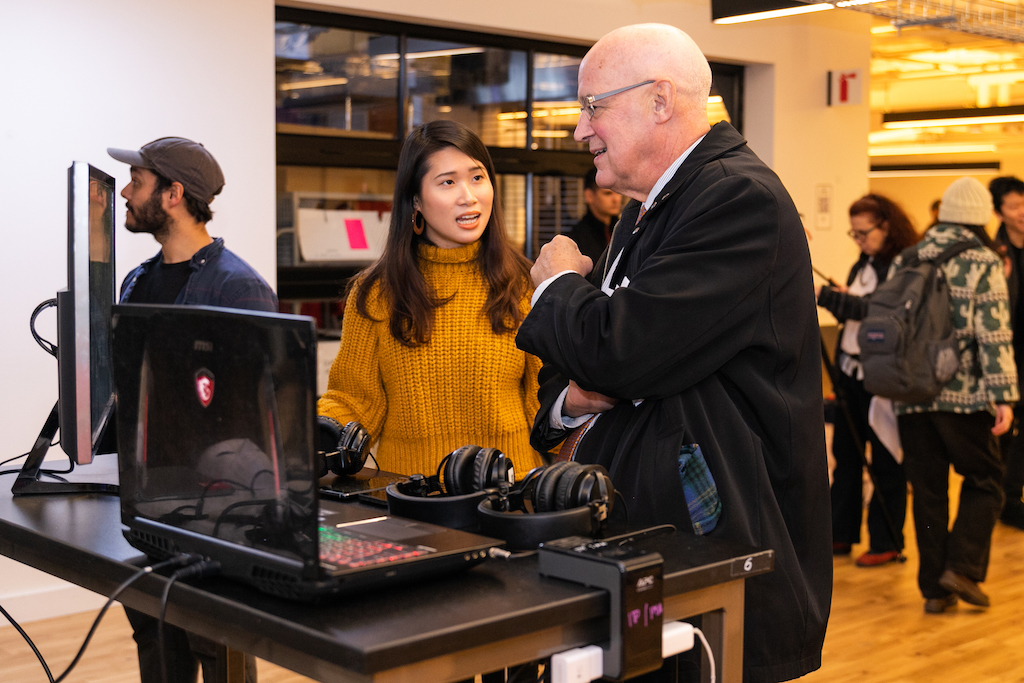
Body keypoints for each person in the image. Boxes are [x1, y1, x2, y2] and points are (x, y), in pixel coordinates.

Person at [515, 24, 831, 683]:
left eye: (592, 106)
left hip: (720, 559)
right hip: (647, 552)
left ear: (659, 100)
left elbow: (617, 348)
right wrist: (571, 398)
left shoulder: (737, 200)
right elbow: (586, 362)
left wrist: (556, 283)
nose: (580, 130)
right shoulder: (644, 210)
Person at [108, 136, 277, 683]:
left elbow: (255, 421)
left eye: (138, 182)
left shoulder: (239, 288)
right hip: (150, 492)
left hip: (213, 508)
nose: (127, 193)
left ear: (174, 193)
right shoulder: (137, 281)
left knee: (214, 637)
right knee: (152, 622)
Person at [317, 120, 545, 479]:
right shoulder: (376, 292)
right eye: (448, 182)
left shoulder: (526, 284)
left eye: (477, 177)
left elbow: (544, 405)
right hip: (411, 500)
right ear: (417, 200)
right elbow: (354, 400)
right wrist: (320, 429)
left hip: (511, 497)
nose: (468, 196)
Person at [894, 176, 1018, 614]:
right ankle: (962, 568)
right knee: (985, 479)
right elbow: (994, 333)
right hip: (962, 396)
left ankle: (934, 589)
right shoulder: (984, 261)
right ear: (981, 215)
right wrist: (1004, 396)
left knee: (928, 491)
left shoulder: (907, 257)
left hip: (909, 395)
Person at [816, 195, 919, 566]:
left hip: (883, 374)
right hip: (850, 370)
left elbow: (875, 310)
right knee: (845, 455)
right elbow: (857, 307)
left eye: (864, 233)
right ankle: (840, 534)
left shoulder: (903, 267)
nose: (858, 240)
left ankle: (886, 540)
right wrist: (839, 298)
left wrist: (825, 297)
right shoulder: (864, 263)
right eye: (854, 233)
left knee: (887, 457)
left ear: (886, 227)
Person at [990, 175, 1024, 531]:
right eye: (1014, 206)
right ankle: (1007, 499)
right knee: (1004, 433)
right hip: (1006, 357)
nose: (1021, 212)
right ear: (999, 212)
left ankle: (1013, 497)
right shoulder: (995, 254)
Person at [563, 167, 621, 262]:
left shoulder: (623, 230)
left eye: (618, 192)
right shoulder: (576, 240)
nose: (617, 199)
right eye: (608, 193)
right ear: (589, 196)